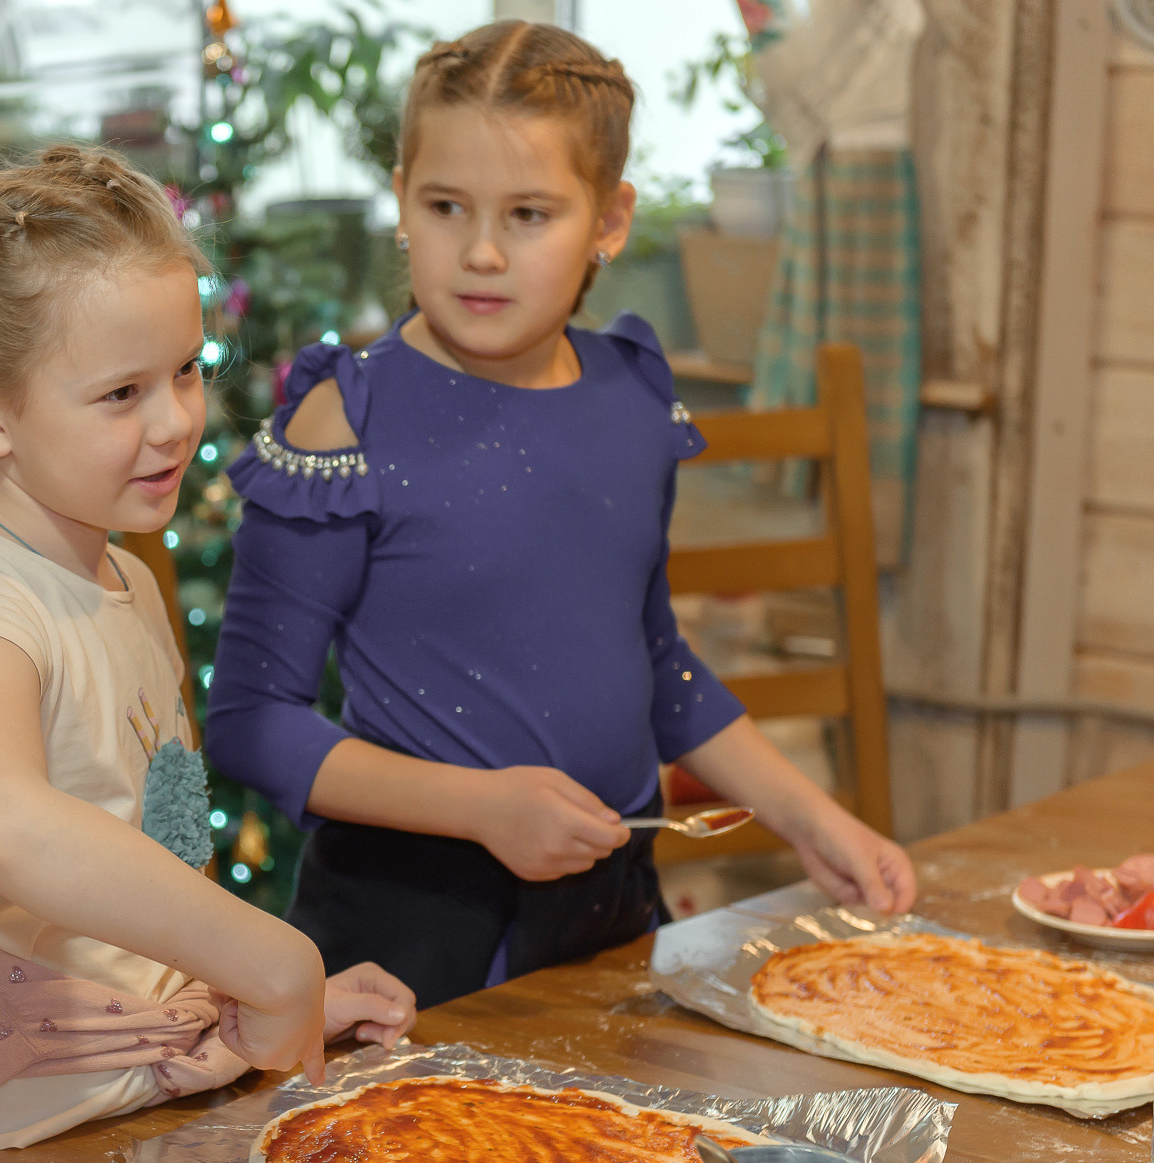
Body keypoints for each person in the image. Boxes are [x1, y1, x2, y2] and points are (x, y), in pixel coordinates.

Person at [205, 21, 916, 1010]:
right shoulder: (343, 420)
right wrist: (481, 807)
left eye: (529, 213)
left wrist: (809, 818)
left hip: (614, 913)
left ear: (609, 220)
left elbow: (654, 662)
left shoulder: (630, 395)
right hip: (408, 930)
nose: (481, 251)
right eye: (444, 205)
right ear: (401, 197)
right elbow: (249, 723)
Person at [0, 146, 416, 1163]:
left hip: (138, 1121)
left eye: (185, 371)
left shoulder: (129, 583)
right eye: (119, 392)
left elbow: (143, 880)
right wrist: (267, 955)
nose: (174, 421)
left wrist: (247, 1002)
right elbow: (2, 824)